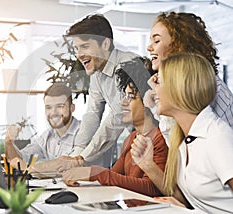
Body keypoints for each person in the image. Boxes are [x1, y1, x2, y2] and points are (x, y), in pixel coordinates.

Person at [133, 53, 233, 212]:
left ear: (178, 87)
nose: (153, 89)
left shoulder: (217, 136)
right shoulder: (185, 137)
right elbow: (187, 199)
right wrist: (148, 165)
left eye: (159, 82)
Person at [62, 60, 168, 197]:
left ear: (149, 100)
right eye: (123, 96)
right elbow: (114, 177)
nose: (123, 102)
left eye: (130, 97)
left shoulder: (161, 139)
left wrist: (96, 173)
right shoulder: (131, 138)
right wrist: (84, 172)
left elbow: (152, 188)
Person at [57, 14, 146, 170]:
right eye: (77, 48)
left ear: (105, 44)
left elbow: (117, 118)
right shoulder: (97, 72)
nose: (79, 54)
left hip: (156, 139)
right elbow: (92, 114)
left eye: (85, 46)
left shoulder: (128, 65)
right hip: (136, 138)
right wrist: (75, 155)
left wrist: (82, 159)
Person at [5, 83, 80, 170]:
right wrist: (9, 143)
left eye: (60, 106)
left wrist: (28, 168)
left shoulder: (84, 132)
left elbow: (68, 165)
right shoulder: (48, 135)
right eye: (48, 107)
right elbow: (20, 159)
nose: (53, 112)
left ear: (72, 108)